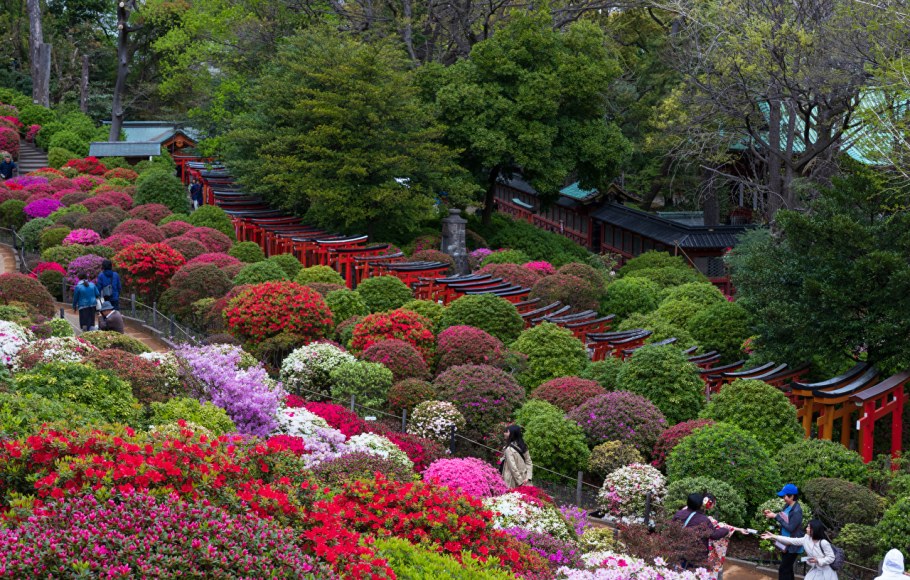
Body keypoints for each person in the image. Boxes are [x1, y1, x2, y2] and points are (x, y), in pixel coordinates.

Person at [673, 493, 733, 570]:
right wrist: (726, 529)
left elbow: (672, 529)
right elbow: (714, 535)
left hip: (679, 550)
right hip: (696, 555)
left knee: (678, 572)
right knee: (693, 573)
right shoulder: (704, 519)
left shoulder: (679, 514)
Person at [761, 519, 837, 580]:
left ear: (815, 529)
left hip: (826, 573)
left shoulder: (823, 543)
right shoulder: (806, 539)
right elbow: (791, 540)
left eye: (808, 527)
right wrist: (774, 536)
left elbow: (831, 558)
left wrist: (818, 560)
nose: (806, 529)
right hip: (815, 570)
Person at [764, 484, 805, 580]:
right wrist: (773, 514)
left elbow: (791, 528)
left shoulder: (797, 511)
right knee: (788, 569)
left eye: (784, 496)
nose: (783, 498)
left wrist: (776, 517)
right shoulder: (788, 506)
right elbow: (784, 518)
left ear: (792, 496)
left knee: (783, 569)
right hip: (784, 542)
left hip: (792, 544)